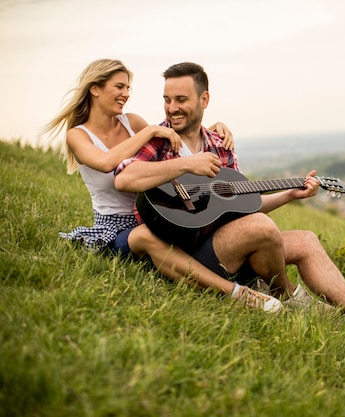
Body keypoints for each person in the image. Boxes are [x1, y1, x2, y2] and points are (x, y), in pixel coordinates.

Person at [114, 61, 345, 336]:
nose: (172, 108)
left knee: (305, 240)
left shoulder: (220, 146)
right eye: (167, 100)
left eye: (181, 99)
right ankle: (288, 296)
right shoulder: (159, 138)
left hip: (223, 244)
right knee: (262, 227)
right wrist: (185, 164)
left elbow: (239, 207)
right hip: (186, 256)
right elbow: (124, 177)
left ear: (204, 99)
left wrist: (291, 194)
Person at [44, 58, 283, 313]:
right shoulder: (78, 135)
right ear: (95, 89)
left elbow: (168, 138)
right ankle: (237, 293)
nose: (126, 94)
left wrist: (212, 129)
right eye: (119, 87)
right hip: (117, 226)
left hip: (156, 215)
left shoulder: (131, 122)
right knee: (145, 237)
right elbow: (106, 163)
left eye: (128, 88)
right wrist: (147, 133)